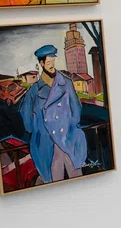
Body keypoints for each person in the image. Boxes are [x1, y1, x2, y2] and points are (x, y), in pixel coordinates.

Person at [18, 45, 87, 184]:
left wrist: (71, 126)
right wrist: (36, 131)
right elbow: (25, 113)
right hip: (47, 141)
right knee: (54, 180)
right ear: (42, 63)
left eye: (53, 62)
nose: (51, 66)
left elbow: (76, 107)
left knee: (77, 177)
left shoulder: (66, 83)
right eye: (48, 63)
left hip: (69, 137)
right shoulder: (34, 90)